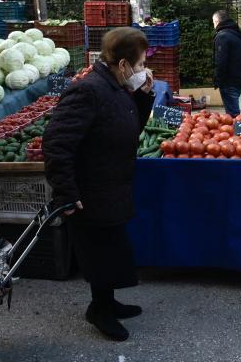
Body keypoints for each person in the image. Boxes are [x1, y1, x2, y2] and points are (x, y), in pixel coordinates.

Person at [43, 28, 155, 341]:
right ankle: (99, 310)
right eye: (141, 63)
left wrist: (144, 96)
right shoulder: (88, 91)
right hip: (90, 190)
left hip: (110, 185)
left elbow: (129, 126)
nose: (143, 69)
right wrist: (65, 191)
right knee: (99, 252)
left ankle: (107, 300)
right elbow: (56, 143)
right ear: (123, 64)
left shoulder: (115, 88)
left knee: (111, 248)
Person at [212, 10, 241, 116]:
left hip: (229, 79)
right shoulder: (238, 34)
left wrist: (219, 79)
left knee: (233, 114)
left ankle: (238, 131)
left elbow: (221, 61)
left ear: (217, 21)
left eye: (213, 22)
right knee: (233, 109)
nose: (214, 26)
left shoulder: (222, 36)